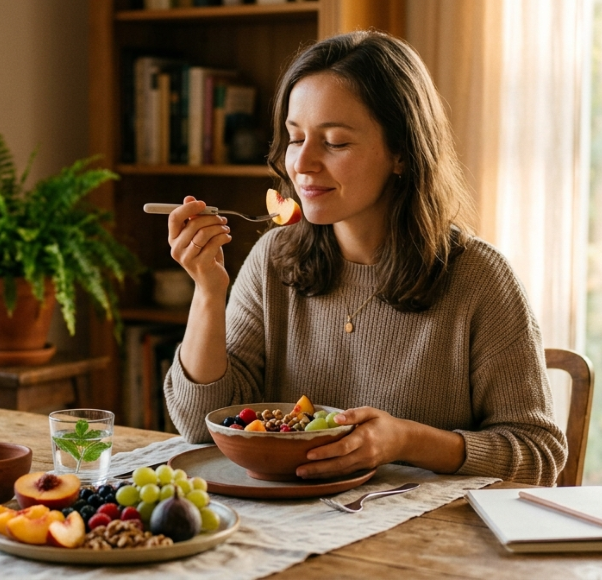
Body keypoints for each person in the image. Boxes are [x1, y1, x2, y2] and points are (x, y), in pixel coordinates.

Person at [161, 30, 567, 486]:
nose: (303, 164)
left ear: (401, 153)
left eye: (334, 142)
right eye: (296, 138)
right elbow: (199, 426)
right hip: (292, 531)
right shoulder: (273, 258)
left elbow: (539, 456)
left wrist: (407, 441)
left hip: (424, 545)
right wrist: (209, 293)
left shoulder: (479, 278)